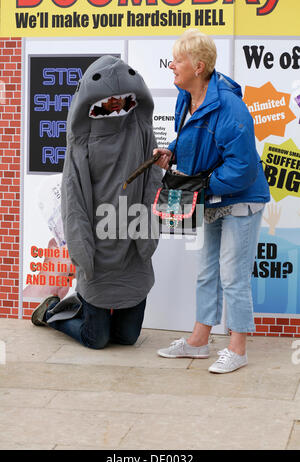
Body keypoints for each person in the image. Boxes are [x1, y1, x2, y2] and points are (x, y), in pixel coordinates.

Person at [155, 29, 270, 373]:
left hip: (240, 199)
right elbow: (191, 137)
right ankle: (199, 342)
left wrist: (202, 185)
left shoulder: (231, 108)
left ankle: (238, 349)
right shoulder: (185, 96)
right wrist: (172, 151)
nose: (172, 66)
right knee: (207, 272)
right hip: (211, 196)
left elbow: (244, 168)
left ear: (199, 66)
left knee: (233, 276)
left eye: (179, 60)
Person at [31, 56, 162, 349]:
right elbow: (74, 202)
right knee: (97, 339)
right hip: (98, 249)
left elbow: (152, 182)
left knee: (127, 338)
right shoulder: (83, 140)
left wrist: (146, 236)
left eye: (122, 99)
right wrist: (82, 253)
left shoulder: (141, 130)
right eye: (108, 100)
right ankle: (53, 311)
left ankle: (89, 312)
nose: (116, 105)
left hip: (131, 246)